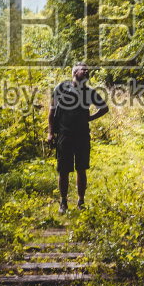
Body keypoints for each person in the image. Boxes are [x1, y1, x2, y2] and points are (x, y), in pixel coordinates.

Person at [47, 62, 108, 212]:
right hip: (64, 135)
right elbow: (51, 110)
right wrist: (50, 133)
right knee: (63, 170)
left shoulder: (89, 92)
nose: (87, 71)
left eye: (88, 69)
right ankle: (63, 202)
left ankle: (81, 201)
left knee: (81, 169)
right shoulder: (61, 88)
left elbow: (104, 108)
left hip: (82, 136)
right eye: (84, 69)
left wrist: (90, 118)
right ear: (75, 73)